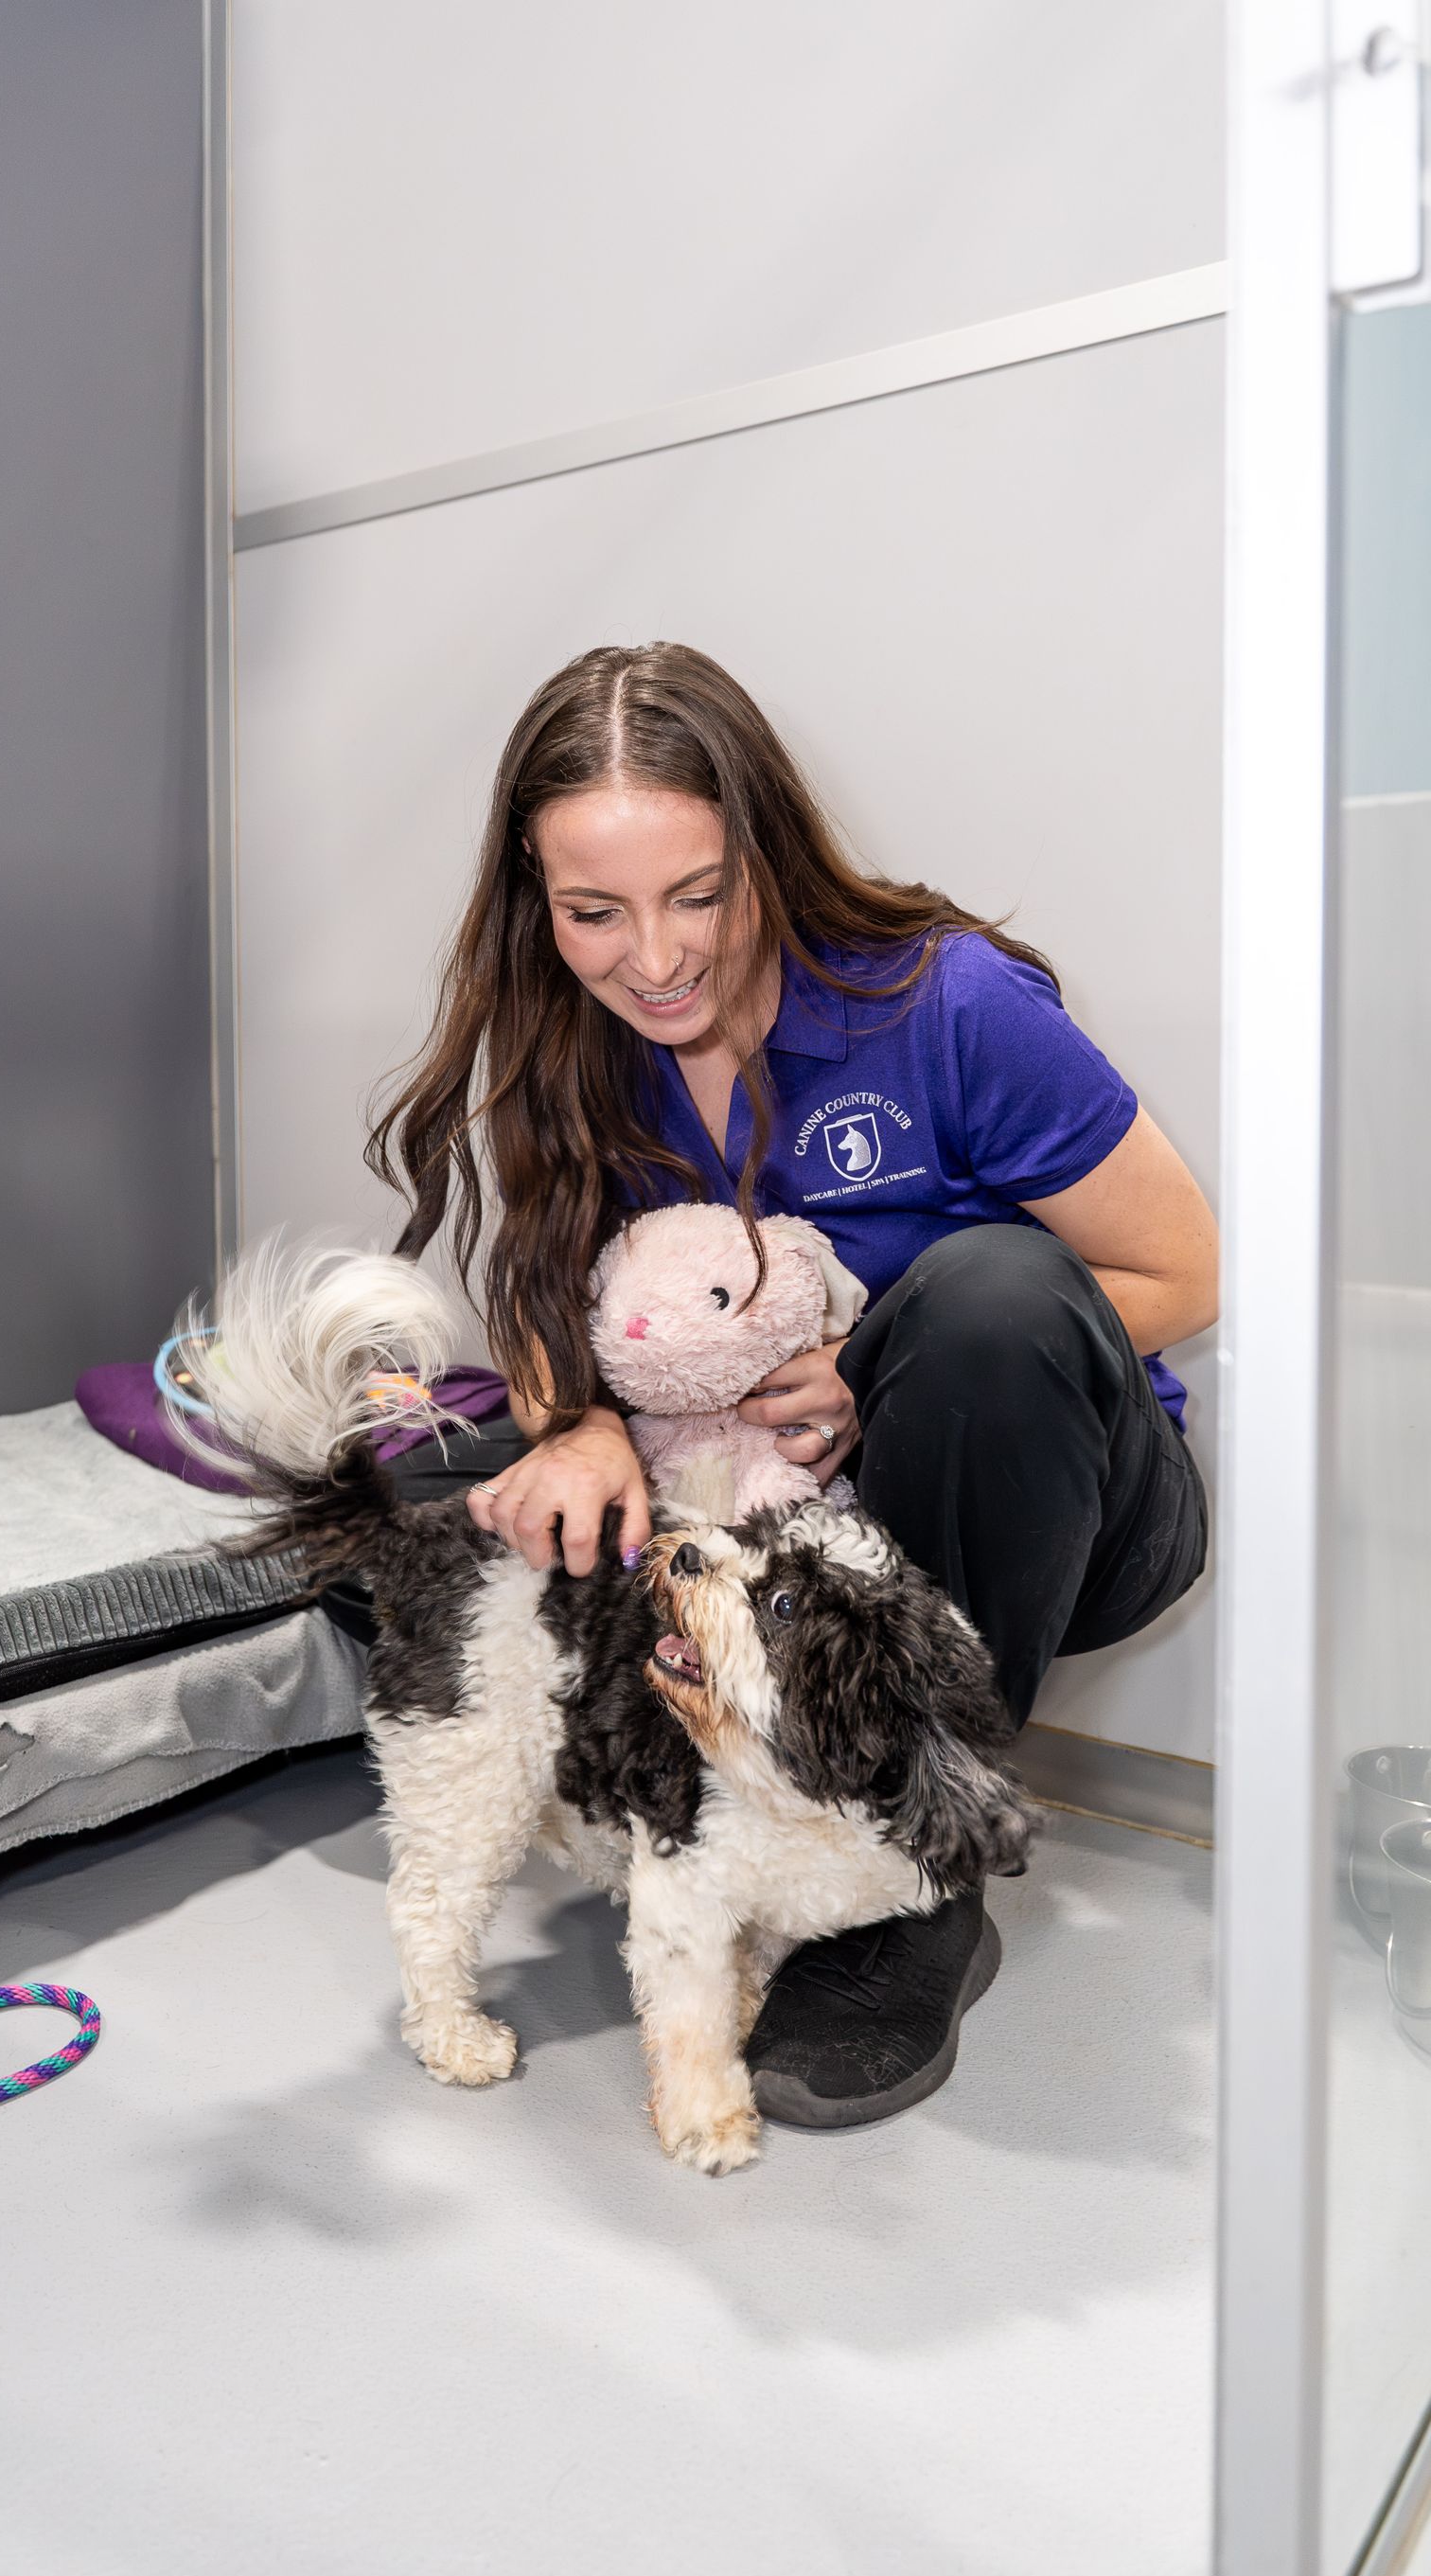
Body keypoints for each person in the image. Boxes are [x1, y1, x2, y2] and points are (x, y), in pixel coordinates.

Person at [364, 642, 1214, 2127]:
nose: (655, 957)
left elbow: (1184, 1276)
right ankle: (676, 1781)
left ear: (767, 849)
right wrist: (570, 1428)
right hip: (758, 1538)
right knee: (425, 1461)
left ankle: (912, 1874)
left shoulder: (949, 1003)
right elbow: (559, 1291)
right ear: (534, 904)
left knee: (987, 1300)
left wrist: (878, 1371)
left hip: (1042, 1509)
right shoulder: (572, 1039)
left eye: (699, 892)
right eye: (593, 912)